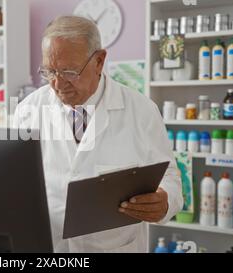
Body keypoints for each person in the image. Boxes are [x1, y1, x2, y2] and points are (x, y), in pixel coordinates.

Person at [12, 16, 183, 252]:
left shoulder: (142, 110)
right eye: (49, 71)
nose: (58, 85)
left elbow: (170, 176)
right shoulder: (27, 110)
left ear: (99, 61)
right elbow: (14, 181)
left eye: (70, 72)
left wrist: (164, 202)